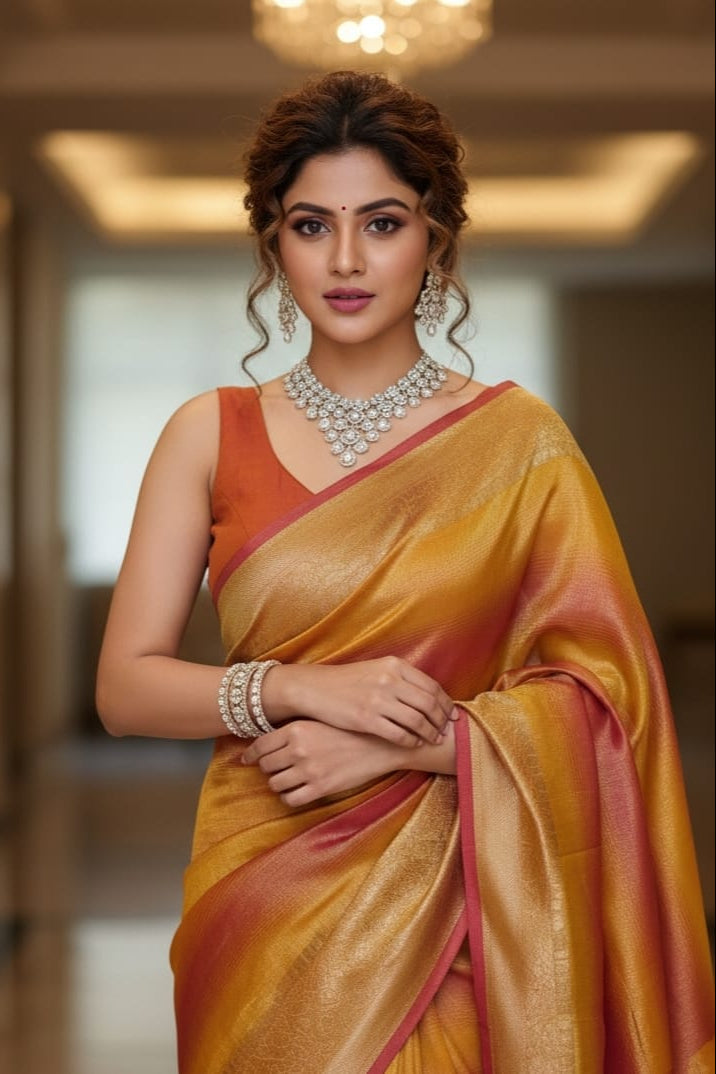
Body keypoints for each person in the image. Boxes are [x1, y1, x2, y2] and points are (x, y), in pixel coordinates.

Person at [95, 70, 714, 1074]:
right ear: (272, 244)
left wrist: (411, 749)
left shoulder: (519, 444)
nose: (344, 259)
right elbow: (125, 688)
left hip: (466, 904)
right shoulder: (206, 435)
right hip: (262, 904)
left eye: (380, 223)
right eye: (310, 226)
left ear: (434, 238)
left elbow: (608, 704)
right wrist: (301, 689)